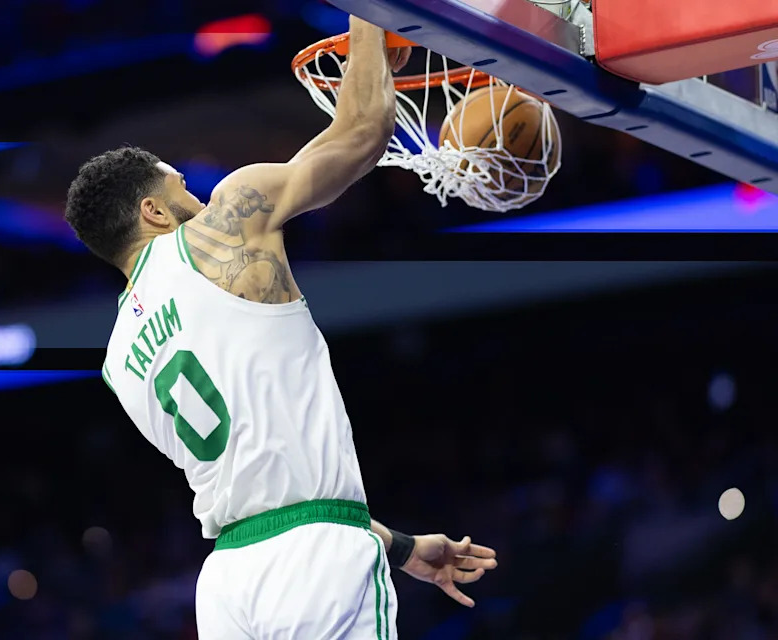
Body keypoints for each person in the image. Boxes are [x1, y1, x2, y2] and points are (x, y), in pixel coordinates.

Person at [64, 16, 497, 639]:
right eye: (182, 189)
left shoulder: (119, 362)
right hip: (315, 561)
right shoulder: (222, 226)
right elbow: (361, 133)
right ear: (153, 211)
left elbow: (263, 492)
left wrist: (402, 549)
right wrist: (371, 16)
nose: (199, 196)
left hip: (227, 582)